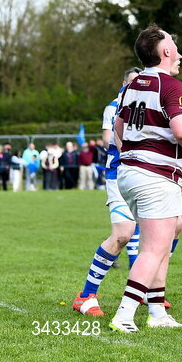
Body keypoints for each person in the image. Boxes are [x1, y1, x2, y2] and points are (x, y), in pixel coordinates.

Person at [108, 26, 182, 332]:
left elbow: (119, 127)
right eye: (174, 44)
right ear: (165, 51)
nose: (179, 52)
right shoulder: (170, 85)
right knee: (154, 249)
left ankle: (157, 312)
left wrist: (132, 154)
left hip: (130, 173)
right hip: (154, 176)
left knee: (164, 238)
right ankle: (125, 314)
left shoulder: (133, 85)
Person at [73, 67, 150, 318]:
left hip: (144, 175)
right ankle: (86, 295)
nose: (137, 85)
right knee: (123, 234)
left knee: (165, 229)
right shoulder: (115, 106)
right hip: (118, 174)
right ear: (123, 82)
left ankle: (149, 289)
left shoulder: (147, 102)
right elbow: (112, 138)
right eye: (132, 81)